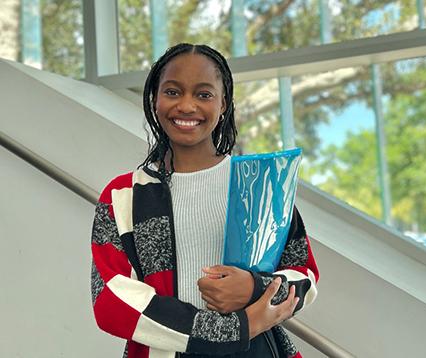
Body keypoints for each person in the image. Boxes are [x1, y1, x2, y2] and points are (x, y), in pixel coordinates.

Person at [90, 43, 319, 358]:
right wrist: (236, 328)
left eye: (203, 94)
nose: (186, 106)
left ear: (223, 103)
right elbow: (110, 300)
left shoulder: (258, 183)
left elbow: (303, 275)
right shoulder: (123, 196)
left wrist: (254, 287)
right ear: (154, 98)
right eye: (172, 92)